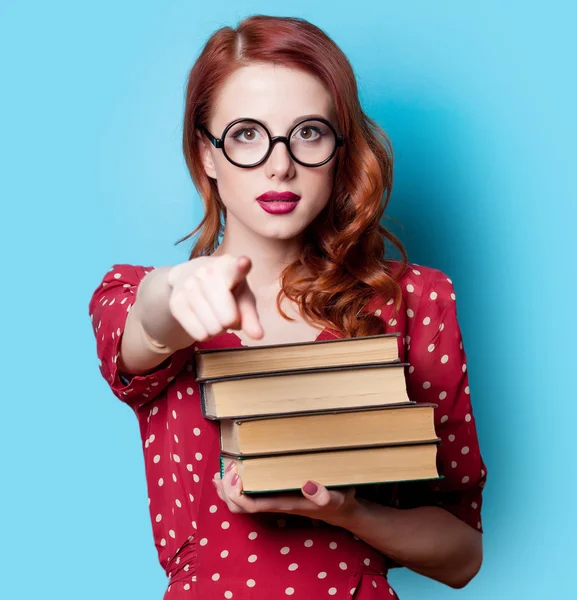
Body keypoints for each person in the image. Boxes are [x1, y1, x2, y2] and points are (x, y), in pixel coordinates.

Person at [88, 14, 486, 599]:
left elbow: (462, 556)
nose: (280, 164)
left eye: (308, 132)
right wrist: (171, 297)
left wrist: (348, 514)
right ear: (207, 154)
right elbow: (145, 330)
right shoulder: (142, 294)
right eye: (247, 134)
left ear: (340, 148)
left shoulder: (415, 301)